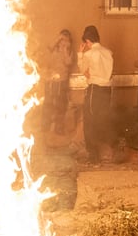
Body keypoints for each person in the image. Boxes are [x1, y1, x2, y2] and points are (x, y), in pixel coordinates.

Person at [77, 25, 116, 165]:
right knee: (103, 119)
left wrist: (80, 53)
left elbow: (83, 69)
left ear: (87, 41)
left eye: (86, 43)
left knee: (90, 121)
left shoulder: (89, 54)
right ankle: (106, 154)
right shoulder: (108, 52)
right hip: (107, 90)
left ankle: (93, 156)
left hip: (94, 89)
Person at [43, 29, 75, 135]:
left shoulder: (69, 51)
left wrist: (65, 50)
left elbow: (69, 63)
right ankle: (45, 126)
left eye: (66, 39)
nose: (63, 42)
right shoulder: (53, 49)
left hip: (61, 82)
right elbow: (47, 51)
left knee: (60, 106)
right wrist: (58, 39)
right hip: (50, 81)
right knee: (48, 104)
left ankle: (58, 128)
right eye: (62, 39)